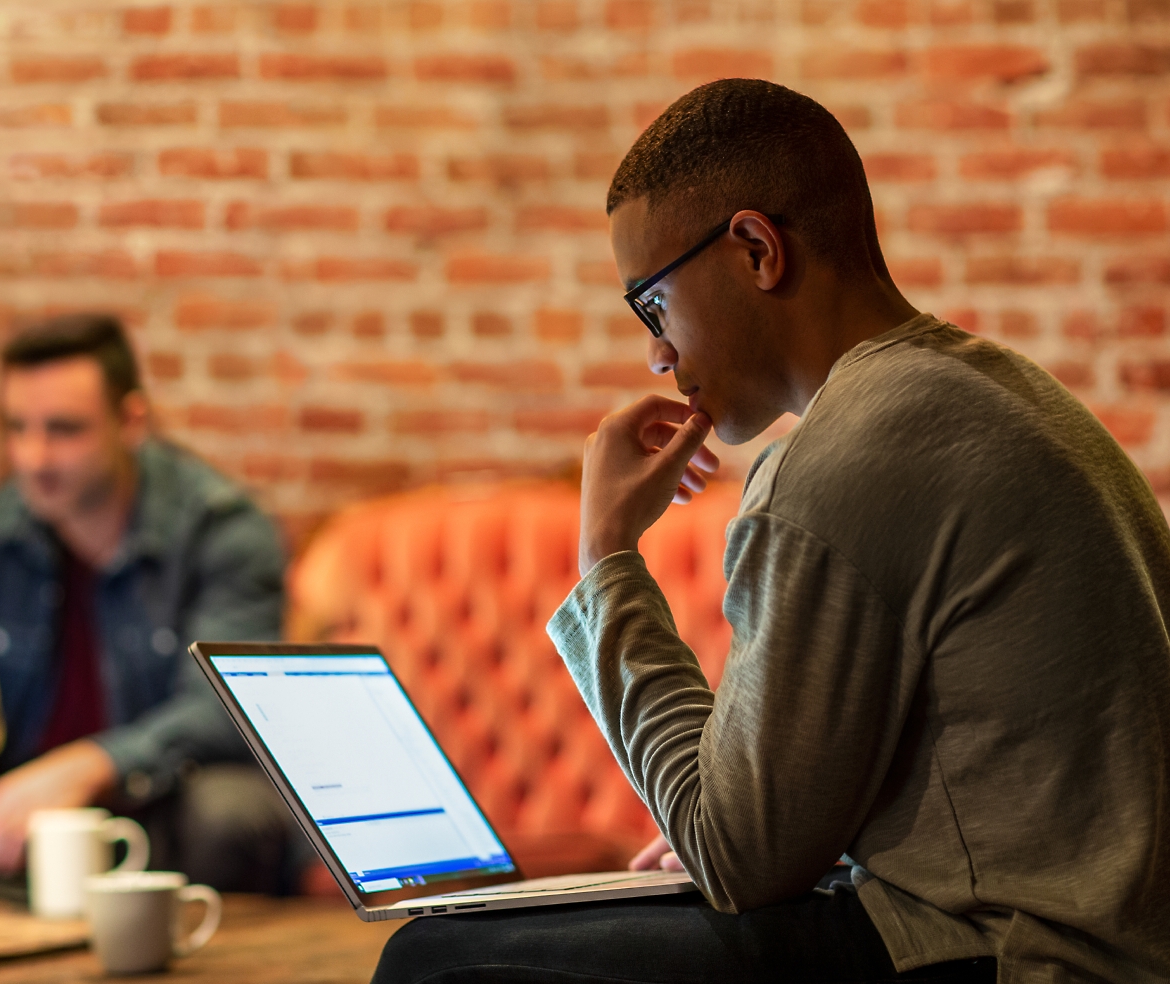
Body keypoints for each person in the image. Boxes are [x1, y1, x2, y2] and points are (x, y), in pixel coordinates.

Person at [372, 80, 1170, 983]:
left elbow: (733, 856)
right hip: (1092, 942)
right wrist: (744, 833)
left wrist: (605, 557)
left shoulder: (842, 457)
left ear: (756, 249)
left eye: (652, 304)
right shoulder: (1004, 391)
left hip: (1013, 958)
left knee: (434, 962)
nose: (656, 355)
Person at [0, 313, 312, 894]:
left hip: (165, 795)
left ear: (130, 421)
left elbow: (227, 713)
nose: (34, 458)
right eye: (17, 429)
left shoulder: (221, 530)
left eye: (63, 430)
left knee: (229, 813)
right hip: (34, 806)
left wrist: (91, 766)